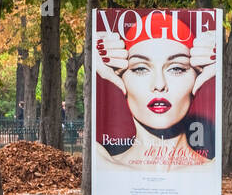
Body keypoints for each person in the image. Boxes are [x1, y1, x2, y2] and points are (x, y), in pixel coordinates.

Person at [93, 14, 218, 171]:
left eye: (176, 68)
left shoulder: (214, 169)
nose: (159, 85)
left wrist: (223, 57)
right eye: (140, 68)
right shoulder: (101, 163)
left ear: (197, 76)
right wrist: (93, 50)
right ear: (120, 76)